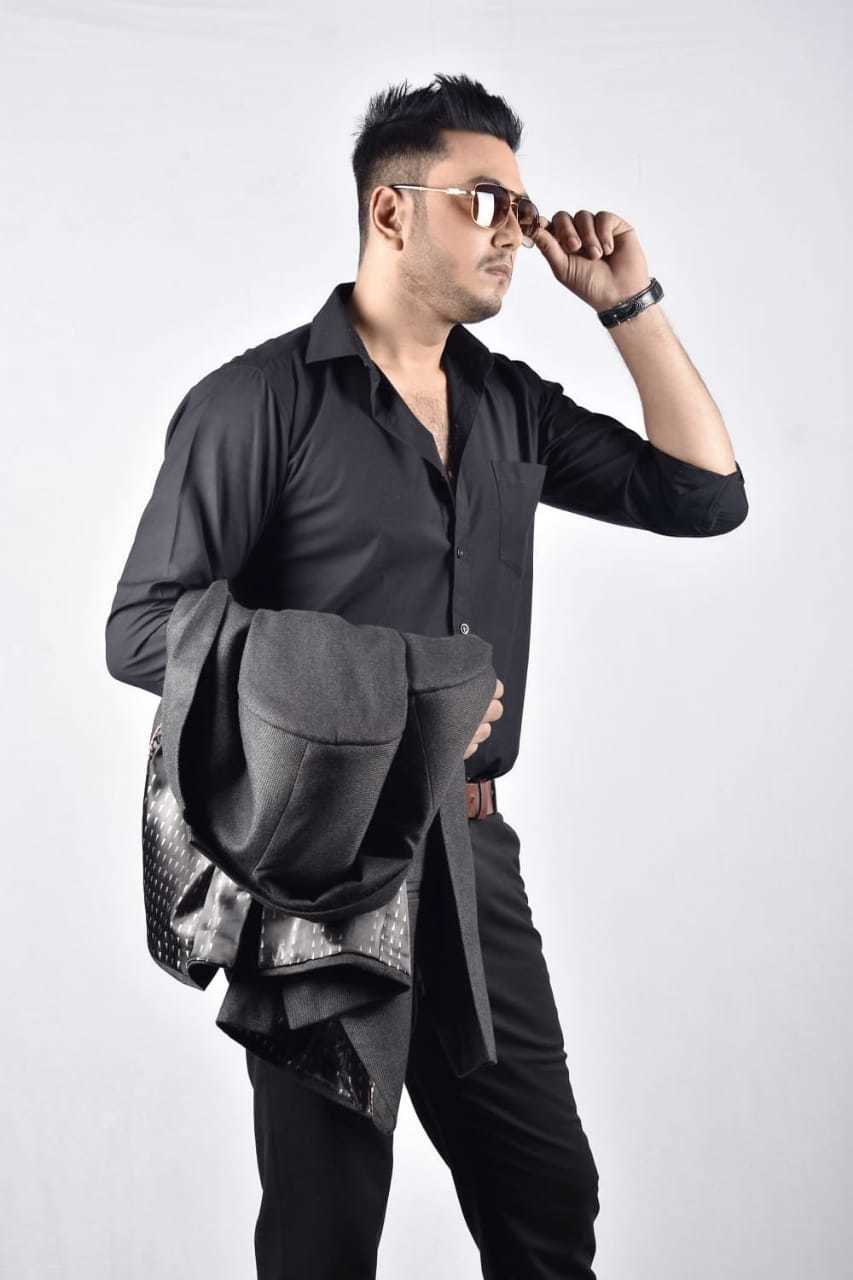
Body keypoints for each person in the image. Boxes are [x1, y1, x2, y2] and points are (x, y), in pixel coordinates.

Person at [105, 72, 748, 1280]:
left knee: (548, 1204)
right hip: (319, 869)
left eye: (521, 203)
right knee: (326, 1236)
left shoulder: (507, 404)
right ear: (391, 211)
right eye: (483, 199)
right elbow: (142, 626)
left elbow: (703, 495)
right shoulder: (257, 402)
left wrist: (628, 305)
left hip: (471, 854)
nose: (514, 230)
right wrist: (402, 687)